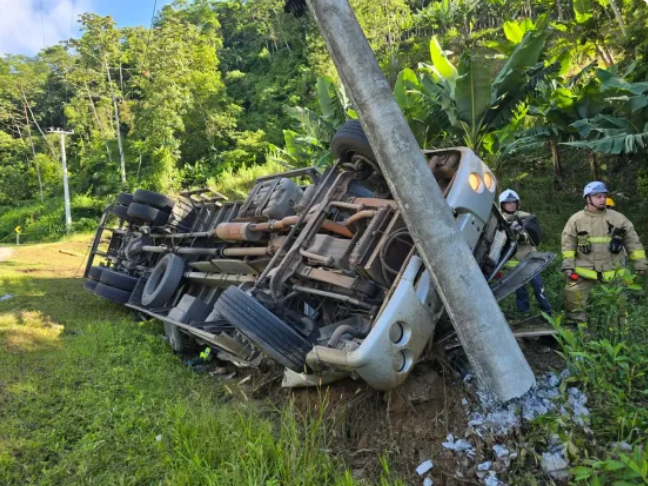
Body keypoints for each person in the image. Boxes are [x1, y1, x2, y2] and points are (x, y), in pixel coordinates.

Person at [561, 181, 647, 322]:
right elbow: (567, 245)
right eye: (598, 196)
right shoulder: (576, 220)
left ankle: (618, 333)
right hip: (584, 270)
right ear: (588, 198)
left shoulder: (619, 219)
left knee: (619, 304)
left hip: (612, 270)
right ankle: (578, 331)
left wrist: (640, 264)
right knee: (573, 298)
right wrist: (568, 266)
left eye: (604, 196)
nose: (602, 199)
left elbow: (633, 242)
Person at [499, 189, 552, 315]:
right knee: (519, 289)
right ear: (502, 204)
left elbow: (534, 235)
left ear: (518, 203)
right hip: (512, 262)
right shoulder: (498, 220)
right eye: (508, 202)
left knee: (538, 286)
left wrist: (522, 236)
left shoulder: (526, 217)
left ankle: (547, 311)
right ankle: (524, 312)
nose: (511, 204)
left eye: (514, 202)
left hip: (529, 259)